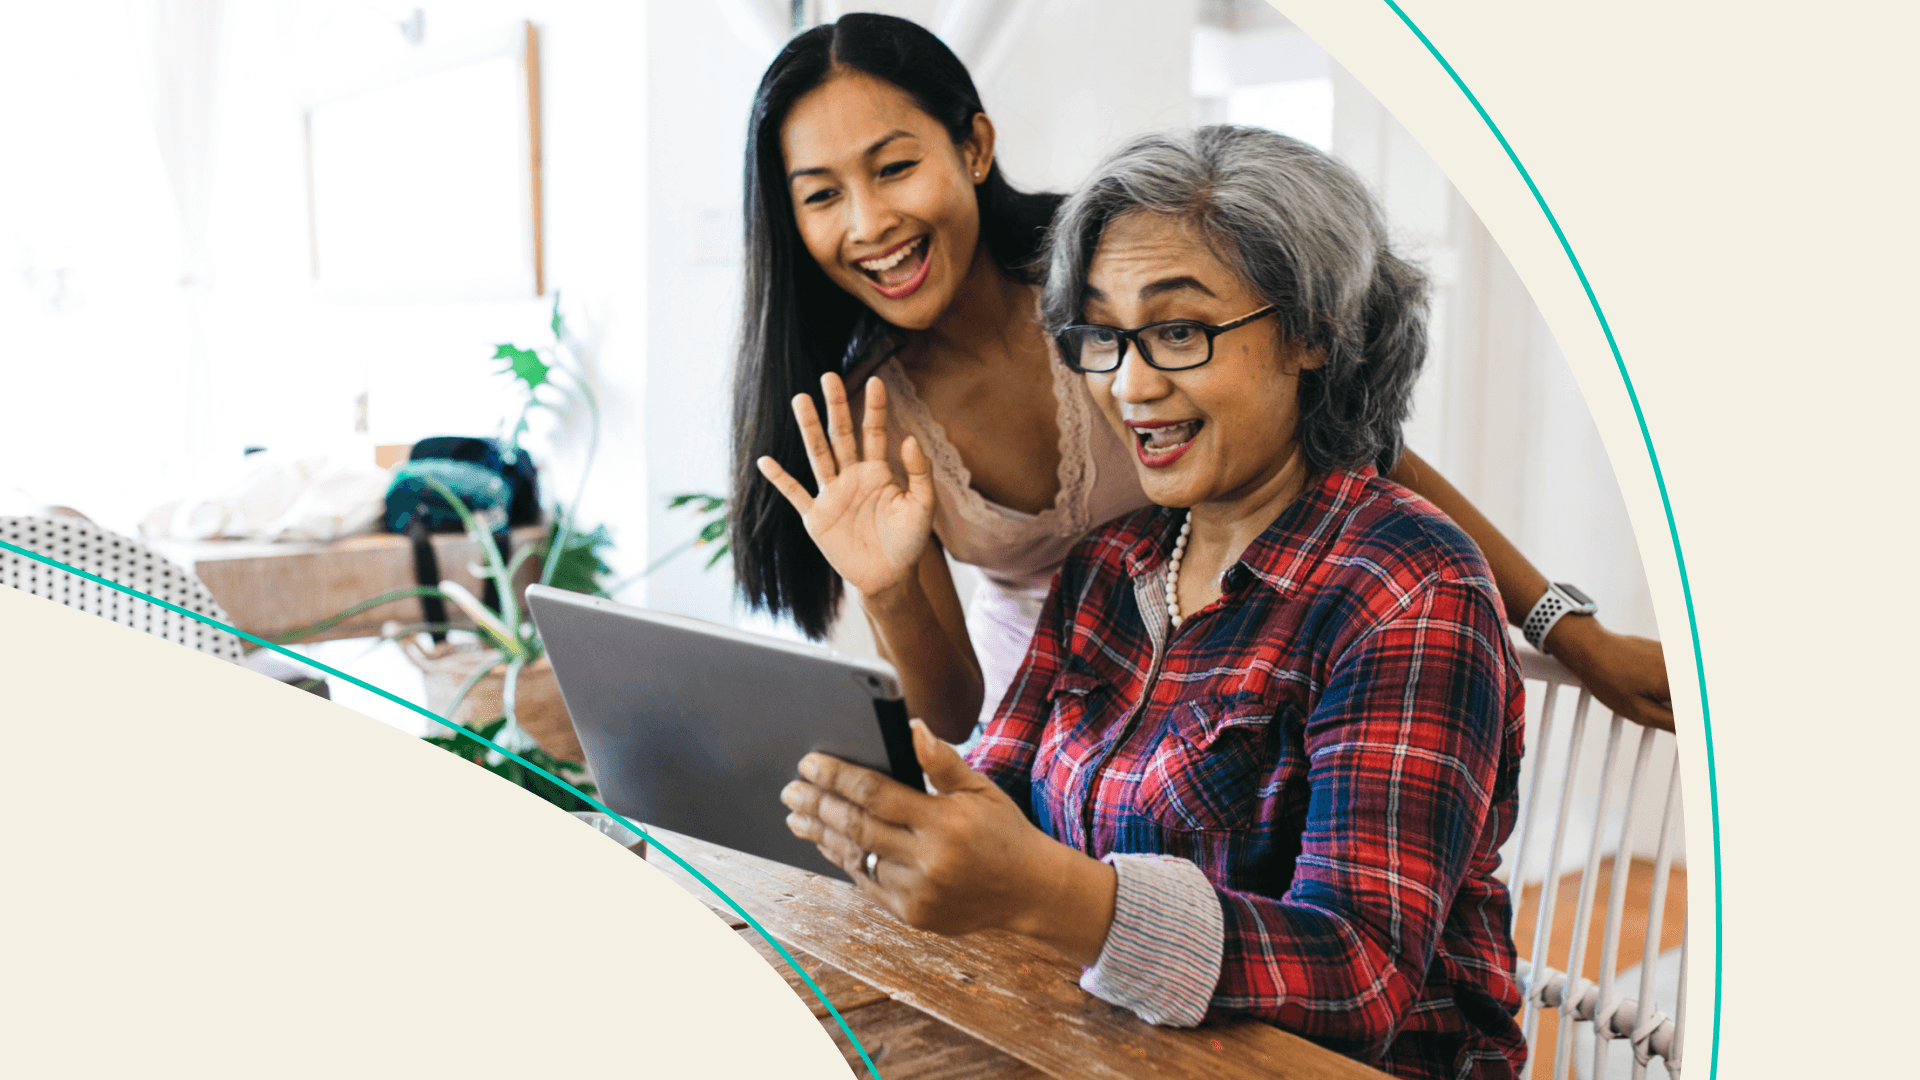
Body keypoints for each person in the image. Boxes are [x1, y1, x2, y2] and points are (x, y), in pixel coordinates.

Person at [776, 125, 1528, 1079]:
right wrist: (894, 798)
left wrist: (1056, 896)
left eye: (1179, 330)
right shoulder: (1109, 566)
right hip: (1096, 1042)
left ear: (1313, 334)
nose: (1128, 385)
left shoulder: (1407, 588)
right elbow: (995, 791)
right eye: (1101, 335)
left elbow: (1361, 975)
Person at [731, 12, 1672, 743]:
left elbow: (1370, 454)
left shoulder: (1115, 272)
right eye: (820, 195)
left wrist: (1568, 631)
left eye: (895, 167)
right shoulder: (860, 418)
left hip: (1240, 654)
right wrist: (888, 590)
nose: (868, 223)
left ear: (972, 148)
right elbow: (954, 711)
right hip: (1052, 712)